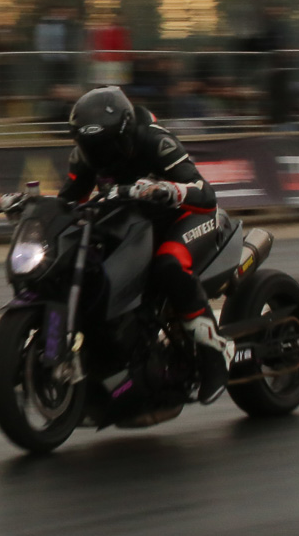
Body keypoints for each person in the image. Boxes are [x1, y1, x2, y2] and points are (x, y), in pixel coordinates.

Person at [57, 85, 236, 403]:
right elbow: (67, 203)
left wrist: (169, 190)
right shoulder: (84, 155)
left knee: (169, 264)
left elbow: (205, 193)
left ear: (125, 132)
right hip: (137, 225)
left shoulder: (155, 139)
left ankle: (216, 353)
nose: (101, 156)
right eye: (92, 148)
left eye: (108, 145)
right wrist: (32, 206)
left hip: (186, 217)